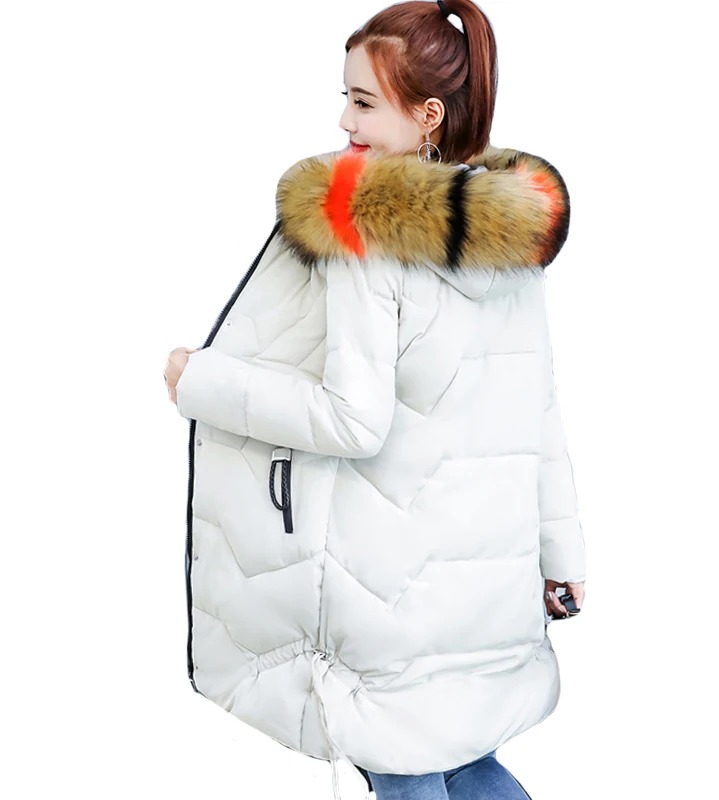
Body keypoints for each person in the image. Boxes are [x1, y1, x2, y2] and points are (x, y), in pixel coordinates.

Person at [163, 1, 586, 799]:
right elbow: (542, 413)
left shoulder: (368, 230)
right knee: (465, 759)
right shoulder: (511, 241)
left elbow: (352, 419)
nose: (343, 120)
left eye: (363, 101)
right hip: (486, 591)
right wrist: (564, 561)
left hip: (390, 591)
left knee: (404, 765)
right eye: (345, 97)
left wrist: (201, 382)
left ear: (427, 116)